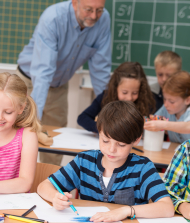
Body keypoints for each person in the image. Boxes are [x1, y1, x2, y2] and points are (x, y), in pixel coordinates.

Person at [38, 101, 174, 222]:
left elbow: (167, 208)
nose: (111, 149)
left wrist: (125, 211)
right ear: (99, 132)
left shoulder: (142, 168)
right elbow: (43, 186)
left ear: (137, 140)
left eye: (121, 145)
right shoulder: (84, 161)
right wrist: (55, 197)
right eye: (105, 141)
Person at [16, 0, 112, 165]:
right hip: (29, 83)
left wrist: (111, 113)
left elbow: (101, 71)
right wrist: (34, 118)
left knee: (53, 144)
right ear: (75, 3)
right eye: (88, 9)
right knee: (22, 139)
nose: (94, 16)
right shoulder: (53, 18)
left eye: (99, 10)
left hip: (59, 86)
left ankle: (48, 187)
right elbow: (42, 72)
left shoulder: (103, 20)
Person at [77, 62, 155, 133]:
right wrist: (102, 128)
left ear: (141, 90)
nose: (129, 98)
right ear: (115, 87)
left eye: (135, 93)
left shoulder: (146, 103)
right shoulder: (105, 98)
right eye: (124, 92)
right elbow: (82, 118)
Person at [144, 71, 190, 143]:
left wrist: (163, 125)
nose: (166, 104)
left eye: (172, 101)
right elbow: (153, 120)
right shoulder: (166, 109)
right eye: (164, 99)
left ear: (188, 100)